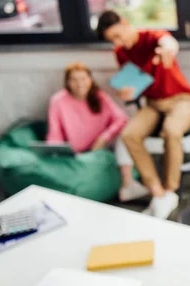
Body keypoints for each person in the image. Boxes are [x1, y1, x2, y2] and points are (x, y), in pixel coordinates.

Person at [96, 10, 190, 219]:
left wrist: (168, 48)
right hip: (152, 104)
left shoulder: (152, 37)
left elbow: (168, 42)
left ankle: (170, 191)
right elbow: (134, 83)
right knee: (129, 135)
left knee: (171, 131)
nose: (118, 42)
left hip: (181, 99)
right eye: (111, 40)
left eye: (117, 36)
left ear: (125, 23)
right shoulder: (121, 52)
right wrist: (125, 91)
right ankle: (157, 192)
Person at [46, 62, 149, 202]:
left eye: (83, 79)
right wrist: (54, 152)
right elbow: (54, 133)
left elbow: (121, 119)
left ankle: (128, 183)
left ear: (90, 80)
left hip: (100, 148)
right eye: (74, 80)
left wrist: (103, 138)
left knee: (127, 134)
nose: (79, 84)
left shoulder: (99, 97)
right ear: (67, 82)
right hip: (75, 152)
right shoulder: (58, 101)